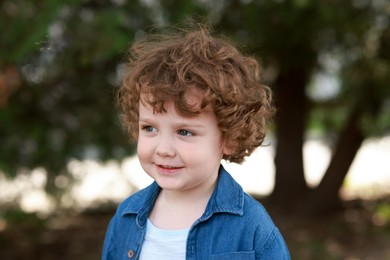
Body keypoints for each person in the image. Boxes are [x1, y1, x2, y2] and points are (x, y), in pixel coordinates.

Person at [102, 25, 290, 260]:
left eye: (184, 132)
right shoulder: (126, 218)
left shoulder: (251, 227)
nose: (163, 149)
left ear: (229, 139)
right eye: (150, 128)